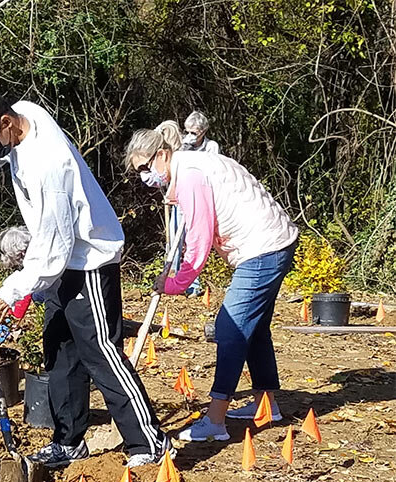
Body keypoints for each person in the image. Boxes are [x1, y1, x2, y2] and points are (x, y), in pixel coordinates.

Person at [0, 88, 172, 468]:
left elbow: (53, 251)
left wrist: (9, 292)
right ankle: (68, 442)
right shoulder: (25, 113)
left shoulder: (50, 165)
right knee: (60, 351)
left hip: (88, 260)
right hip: (61, 262)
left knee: (101, 353)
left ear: (6, 123)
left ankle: (149, 441)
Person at [125, 127, 298, 442]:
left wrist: (177, 282)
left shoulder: (191, 175)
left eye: (146, 168)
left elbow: (199, 238)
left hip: (264, 247)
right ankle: (266, 405)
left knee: (229, 327)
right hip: (274, 242)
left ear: (162, 155)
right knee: (253, 327)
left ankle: (216, 420)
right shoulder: (193, 167)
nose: (146, 177)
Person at [151, 121, 204, 297]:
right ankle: (172, 279)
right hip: (177, 204)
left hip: (193, 202)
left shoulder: (187, 152)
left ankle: (192, 284)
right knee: (173, 242)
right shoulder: (162, 158)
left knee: (191, 242)